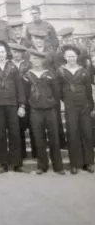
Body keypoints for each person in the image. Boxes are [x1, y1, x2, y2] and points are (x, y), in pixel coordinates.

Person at [0, 40, 26, 173]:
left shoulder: (13, 66)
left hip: (12, 104)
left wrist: (21, 105)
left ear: (6, 52)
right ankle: (3, 163)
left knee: (15, 133)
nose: (0, 54)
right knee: (0, 134)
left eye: (2, 51)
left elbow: (20, 87)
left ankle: (17, 163)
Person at [23, 49, 64, 175]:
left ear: (43, 61)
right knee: (38, 138)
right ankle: (42, 166)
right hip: (35, 111)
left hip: (50, 109)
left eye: (39, 59)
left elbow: (57, 92)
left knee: (54, 138)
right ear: (30, 60)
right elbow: (25, 94)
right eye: (34, 59)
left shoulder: (50, 73)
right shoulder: (27, 75)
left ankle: (58, 166)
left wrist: (53, 104)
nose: (36, 62)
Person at [57, 45, 94, 174]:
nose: (71, 58)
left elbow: (89, 90)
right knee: (72, 133)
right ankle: (75, 164)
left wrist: (91, 106)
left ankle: (88, 162)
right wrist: (67, 101)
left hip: (84, 106)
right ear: (65, 57)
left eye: (73, 56)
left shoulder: (84, 71)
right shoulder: (60, 71)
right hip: (70, 106)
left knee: (87, 133)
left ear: (77, 57)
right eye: (69, 56)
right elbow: (59, 91)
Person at [10, 43, 35, 159]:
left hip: (29, 98)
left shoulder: (29, 65)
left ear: (22, 54)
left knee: (32, 126)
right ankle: (21, 153)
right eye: (14, 52)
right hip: (14, 100)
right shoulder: (8, 65)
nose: (16, 55)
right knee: (18, 127)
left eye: (19, 52)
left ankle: (36, 152)